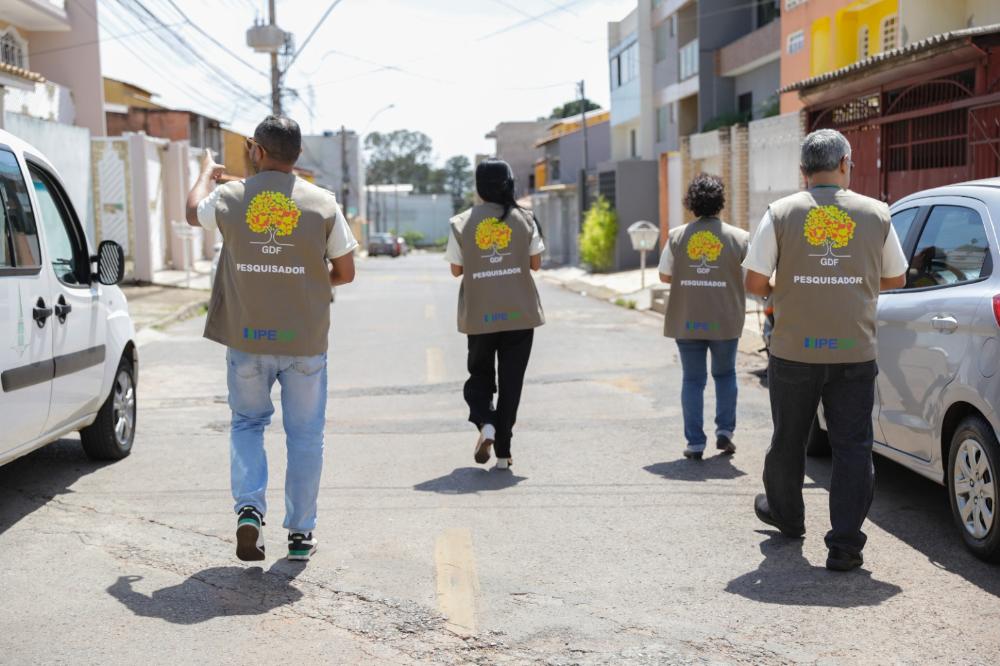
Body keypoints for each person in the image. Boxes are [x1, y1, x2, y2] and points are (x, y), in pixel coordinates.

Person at [185, 115, 358, 562]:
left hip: (247, 340)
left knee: (247, 424)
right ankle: (300, 534)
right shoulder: (323, 203)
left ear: (257, 150)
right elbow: (345, 272)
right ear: (297, 155)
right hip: (305, 343)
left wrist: (206, 171)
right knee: (305, 437)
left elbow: (192, 211)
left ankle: (249, 510)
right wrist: (303, 278)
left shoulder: (230, 197)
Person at [743, 128, 907, 572]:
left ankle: (787, 516)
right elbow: (897, 277)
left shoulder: (781, 212)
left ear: (803, 170)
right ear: (845, 163)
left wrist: (787, 288)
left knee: (788, 439)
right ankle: (845, 545)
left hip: (794, 350)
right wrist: (854, 281)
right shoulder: (877, 213)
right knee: (853, 446)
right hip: (855, 351)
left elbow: (754, 281)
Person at [445, 159, 545, 470]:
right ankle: (503, 452)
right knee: (511, 384)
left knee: (480, 377)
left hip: (480, 315)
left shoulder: (461, 222)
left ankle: (486, 422)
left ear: (478, 188)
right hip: (520, 315)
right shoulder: (525, 219)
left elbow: (456, 270)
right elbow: (536, 264)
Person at [659, 174, 749, 460]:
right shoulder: (739, 238)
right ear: (721, 202)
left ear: (691, 203)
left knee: (692, 380)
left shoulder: (677, 236)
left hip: (687, 319)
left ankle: (695, 443)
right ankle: (725, 431)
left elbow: (664, 275)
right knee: (725, 374)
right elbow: (750, 278)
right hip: (725, 320)